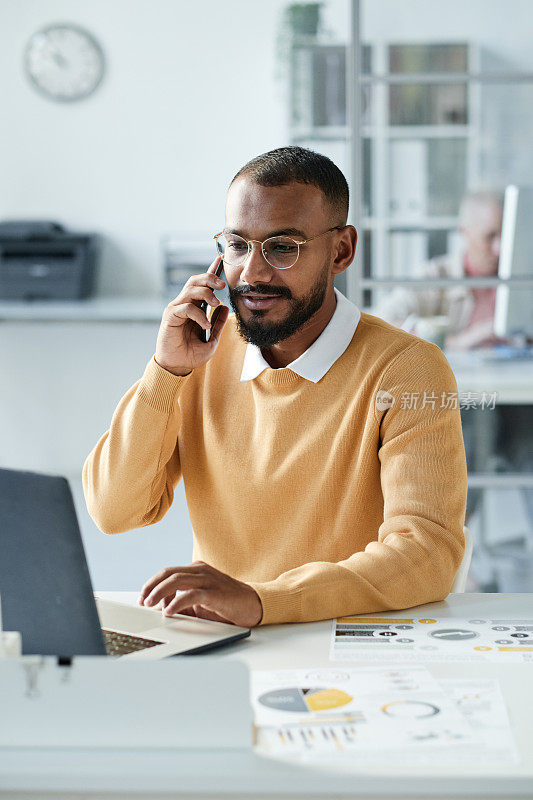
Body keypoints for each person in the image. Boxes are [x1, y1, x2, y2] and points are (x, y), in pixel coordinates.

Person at [83, 146, 467, 627]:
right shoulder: (200, 354)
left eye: (282, 247)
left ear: (341, 250)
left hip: (344, 639)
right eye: (238, 245)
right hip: (221, 641)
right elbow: (113, 511)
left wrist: (265, 601)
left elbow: (427, 553)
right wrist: (165, 372)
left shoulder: (408, 369)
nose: (254, 272)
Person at [373, 190, 504, 350]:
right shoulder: (436, 275)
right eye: (489, 236)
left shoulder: (521, 278)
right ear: (464, 232)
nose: (499, 247)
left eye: (505, 235)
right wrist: (460, 341)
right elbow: (380, 323)